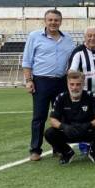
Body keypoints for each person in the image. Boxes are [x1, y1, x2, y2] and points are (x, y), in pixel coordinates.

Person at [22, 9, 76, 160]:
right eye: (50, 20)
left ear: (61, 22)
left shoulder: (68, 39)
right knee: (39, 117)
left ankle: (58, 148)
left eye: (56, 20)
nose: (53, 23)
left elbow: (73, 59)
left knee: (61, 117)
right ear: (45, 21)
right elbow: (27, 60)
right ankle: (35, 150)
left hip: (61, 82)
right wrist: (28, 80)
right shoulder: (34, 36)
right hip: (41, 81)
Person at [44, 70, 95, 164]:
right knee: (49, 133)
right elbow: (53, 120)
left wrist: (88, 125)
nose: (75, 87)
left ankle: (94, 153)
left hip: (87, 131)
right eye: (72, 84)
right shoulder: (61, 98)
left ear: (83, 84)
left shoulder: (91, 96)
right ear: (67, 84)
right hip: (69, 131)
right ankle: (67, 153)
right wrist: (64, 127)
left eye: (78, 84)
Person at [68, 27, 95, 99]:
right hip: (84, 95)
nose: (92, 38)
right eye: (89, 36)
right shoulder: (78, 53)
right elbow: (71, 73)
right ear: (85, 37)